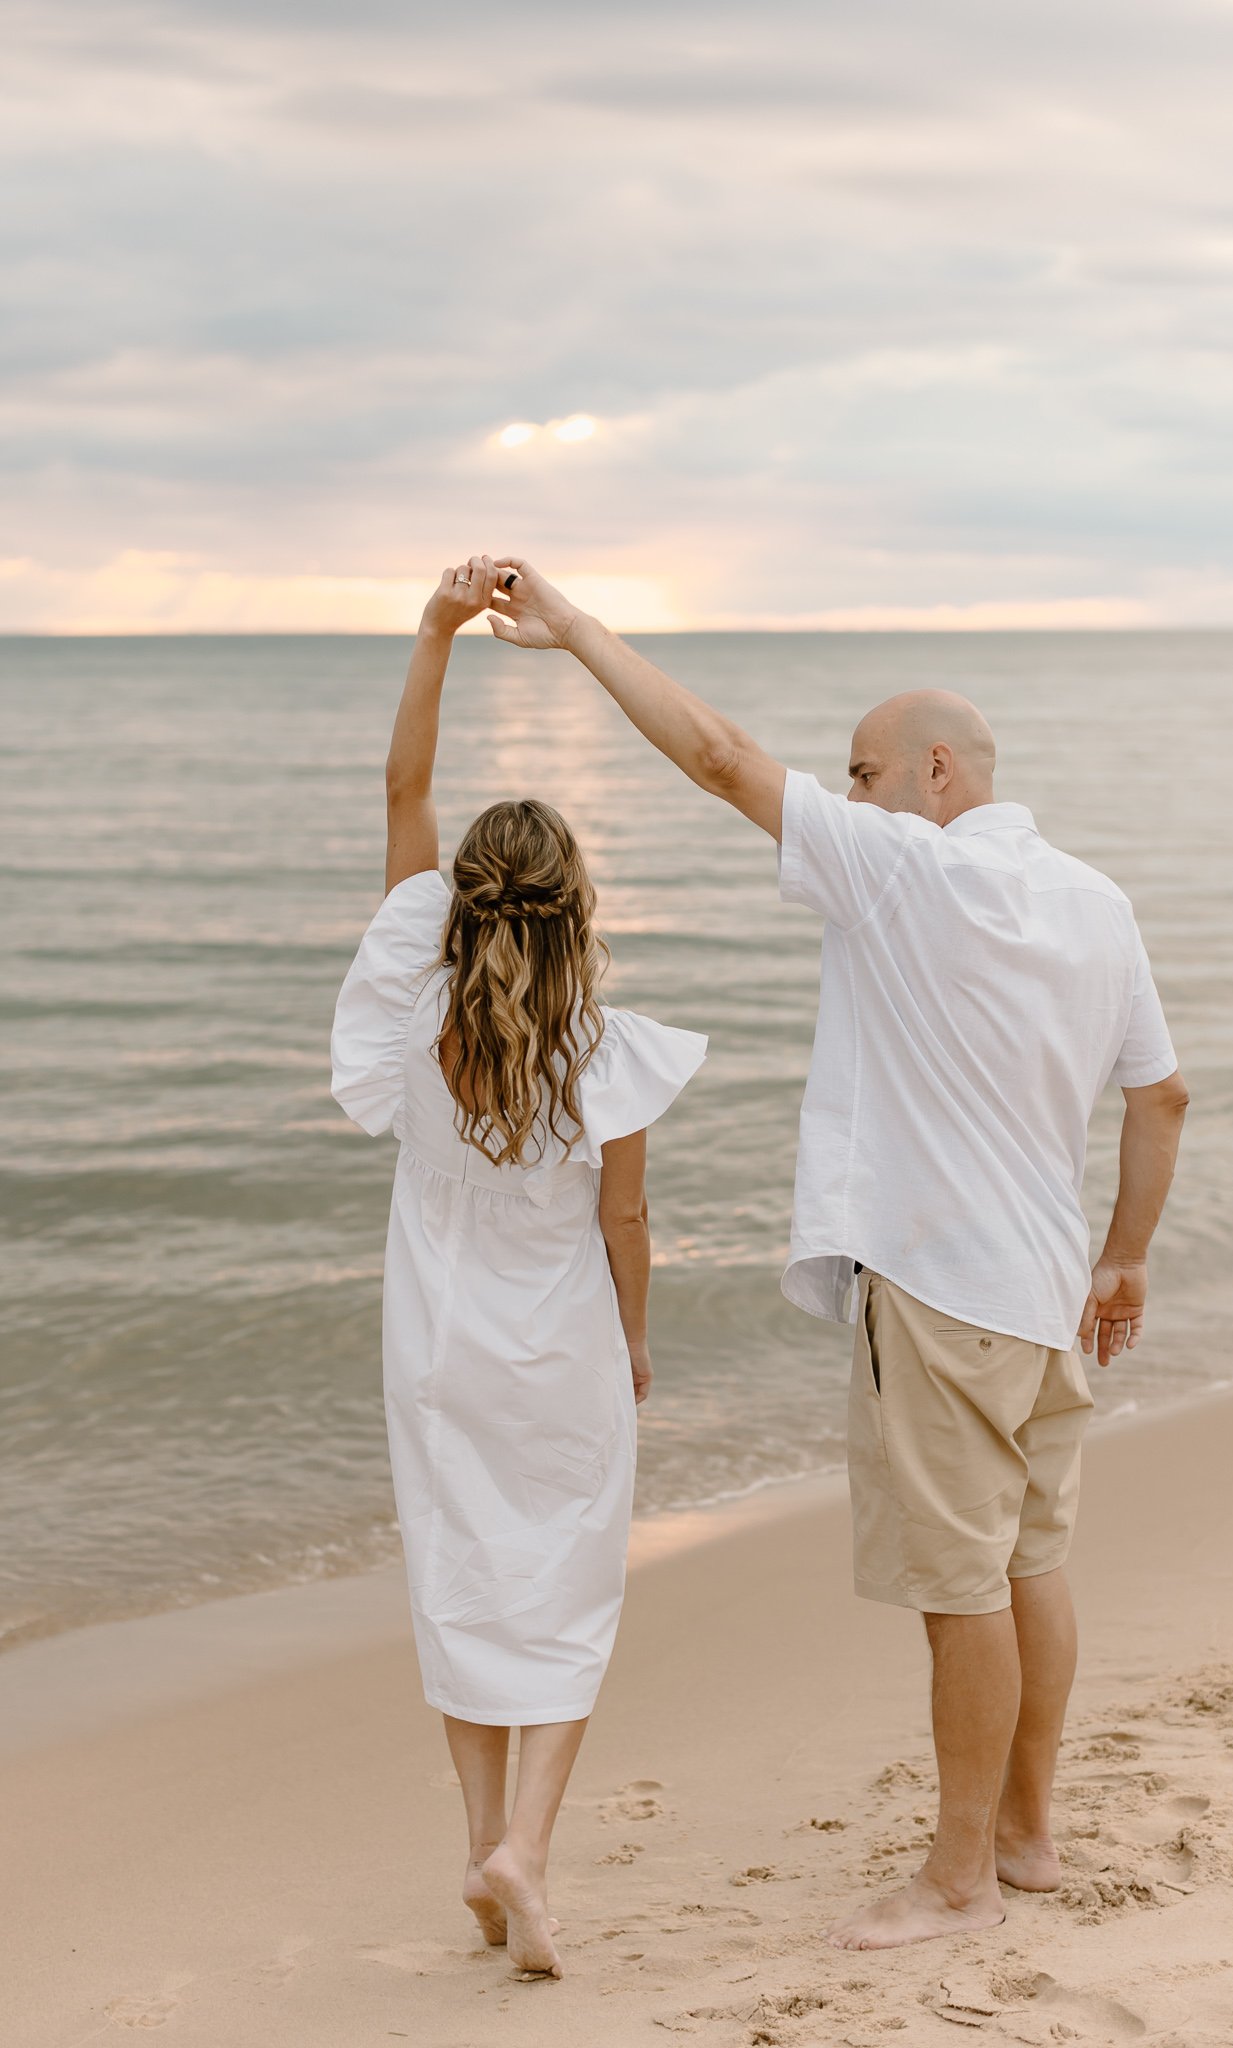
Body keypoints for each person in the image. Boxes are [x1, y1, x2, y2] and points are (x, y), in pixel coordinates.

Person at [481, 555, 1190, 1951]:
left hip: (940, 1292)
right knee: (1033, 1561)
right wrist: (1122, 1260)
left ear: (936, 772)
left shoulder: (902, 872)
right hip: (1046, 1289)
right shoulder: (1093, 903)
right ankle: (1027, 1838)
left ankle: (955, 1880)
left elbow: (718, 755)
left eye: (862, 773)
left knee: (959, 1589)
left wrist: (570, 631)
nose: (844, 795)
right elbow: (1158, 1095)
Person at [329, 558, 706, 1979]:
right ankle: (525, 1852)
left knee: (462, 1582)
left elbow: (399, 797)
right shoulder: (606, 1047)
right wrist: (637, 1343)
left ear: (466, 902)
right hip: (558, 1346)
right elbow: (622, 1226)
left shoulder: (414, 994)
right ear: (574, 903)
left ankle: (479, 1840)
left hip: (434, 1342)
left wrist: (431, 625)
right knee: (566, 1587)